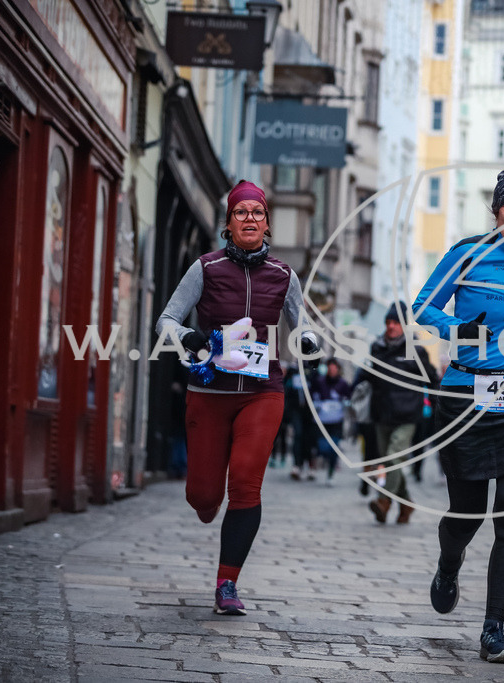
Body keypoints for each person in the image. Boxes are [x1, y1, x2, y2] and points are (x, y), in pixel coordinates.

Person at [414, 167, 504, 664]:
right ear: (496, 211)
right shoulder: (466, 253)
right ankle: (449, 562)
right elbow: (423, 307)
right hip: (467, 394)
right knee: (468, 512)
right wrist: (461, 330)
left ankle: (494, 629)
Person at [156, 180, 318, 616]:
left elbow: (302, 323)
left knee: (245, 483)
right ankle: (206, 502)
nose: (250, 218)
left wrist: (309, 343)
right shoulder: (205, 268)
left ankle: (227, 584)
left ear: (267, 224)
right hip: (209, 391)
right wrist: (187, 336)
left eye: (257, 213)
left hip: (262, 393)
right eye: (241, 212)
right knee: (203, 495)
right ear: (228, 223)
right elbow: (166, 319)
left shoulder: (284, 275)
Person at [355, 302, 438, 524]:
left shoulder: (416, 351)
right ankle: (407, 504)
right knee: (392, 462)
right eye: (388, 322)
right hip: (381, 414)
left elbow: (432, 379)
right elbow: (369, 376)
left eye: (396, 323)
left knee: (393, 457)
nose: (391, 326)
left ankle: (384, 501)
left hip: (407, 415)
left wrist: (438, 407)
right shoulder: (377, 347)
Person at [309, 358, 352, 484]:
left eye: (334, 368)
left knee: (334, 448)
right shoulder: (319, 382)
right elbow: (312, 396)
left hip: (336, 421)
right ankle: (322, 460)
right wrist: (317, 405)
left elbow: (349, 398)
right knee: (323, 448)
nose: (332, 370)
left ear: (338, 369)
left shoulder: (343, 384)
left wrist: (345, 404)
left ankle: (331, 473)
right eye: (330, 367)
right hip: (322, 421)